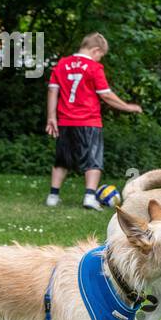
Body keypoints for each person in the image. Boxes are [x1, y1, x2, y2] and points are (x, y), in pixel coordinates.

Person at [45, 33, 142, 210]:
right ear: (95, 50)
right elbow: (105, 95)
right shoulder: (93, 67)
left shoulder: (62, 64)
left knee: (62, 159)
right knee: (93, 160)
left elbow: (52, 91)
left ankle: (53, 196)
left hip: (65, 121)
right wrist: (128, 107)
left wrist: (51, 117)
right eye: (100, 55)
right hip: (88, 121)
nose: (99, 58)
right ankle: (89, 197)